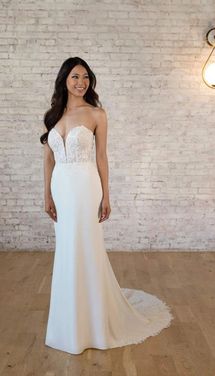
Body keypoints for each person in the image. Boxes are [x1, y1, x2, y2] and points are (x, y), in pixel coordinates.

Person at [41, 56, 174, 355]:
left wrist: (106, 196)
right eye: (75, 76)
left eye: (85, 77)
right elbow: (48, 158)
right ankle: (68, 321)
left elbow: (102, 157)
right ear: (64, 79)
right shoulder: (54, 116)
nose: (81, 82)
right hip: (61, 188)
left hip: (86, 186)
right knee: (66, 249)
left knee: (86, 247)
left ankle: (94, 323)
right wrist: (46, 195)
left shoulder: (97, 114)